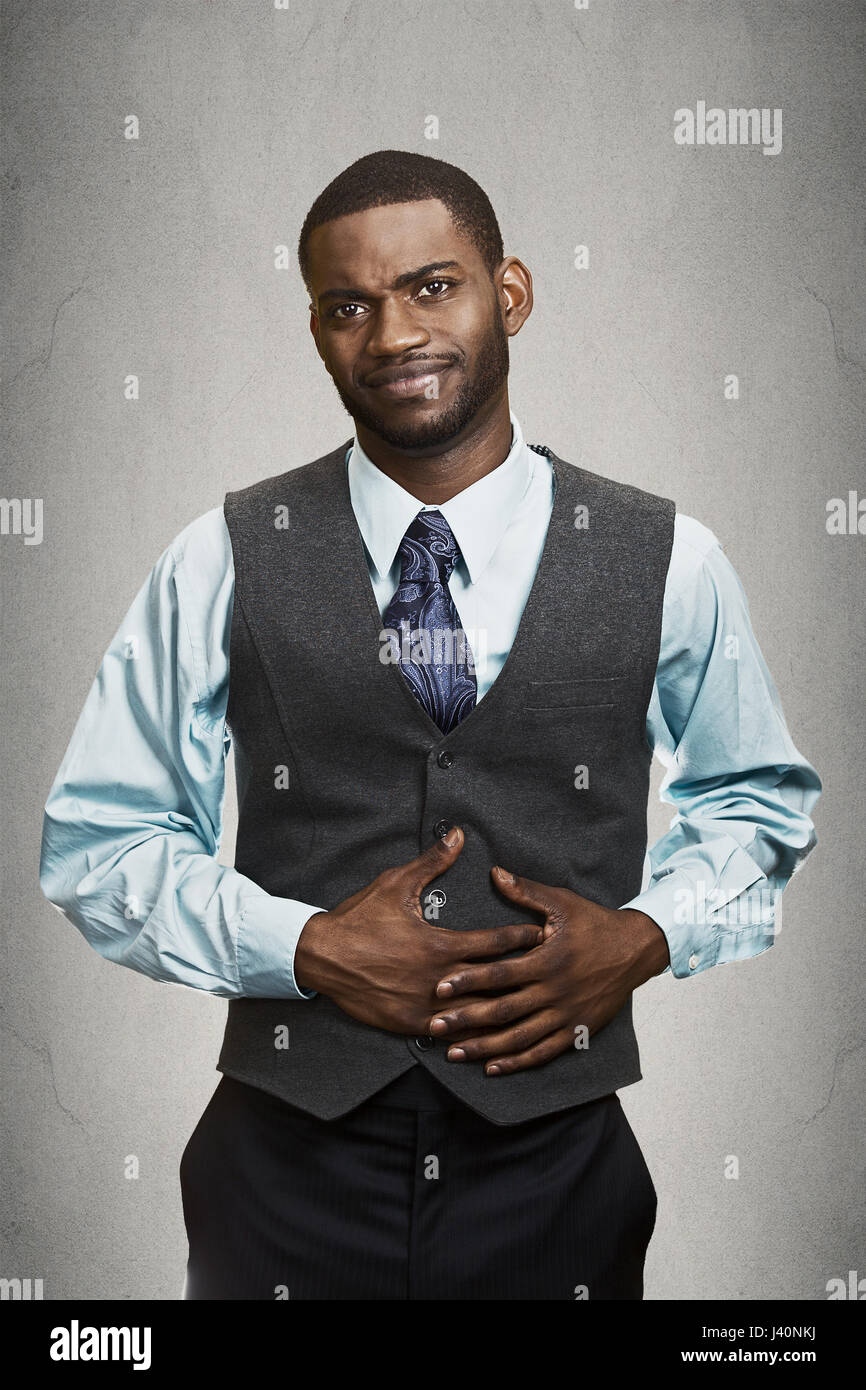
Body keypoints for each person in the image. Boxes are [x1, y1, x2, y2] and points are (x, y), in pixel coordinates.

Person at [39, 149, 821, 1301]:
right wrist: (298, 947)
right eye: (348, 306)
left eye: (431, 286)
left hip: (556, 1172)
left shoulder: (667, 555)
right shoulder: (220, 555)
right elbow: (96, 844)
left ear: (509, 293)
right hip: (281, 1171)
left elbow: (760, 804)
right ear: (316, 330)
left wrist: (647, 933)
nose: (393, 333)